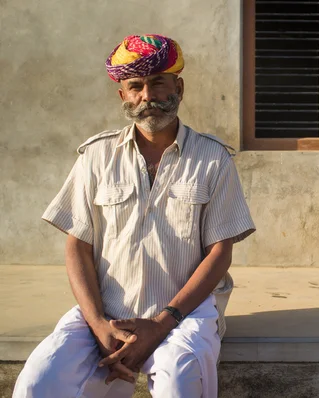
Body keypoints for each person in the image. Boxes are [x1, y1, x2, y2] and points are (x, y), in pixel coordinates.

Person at [13, 34, 255, 398]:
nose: (148, 96)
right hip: (107, 313)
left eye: (158, 83)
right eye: (136, 86)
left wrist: (161, 323)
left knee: (179, 383)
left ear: (179, 87)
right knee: (39, 381)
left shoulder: (212, 159)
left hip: (182, 316)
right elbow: (77, 245)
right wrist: (96, 324)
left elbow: (220, 252)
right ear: (123, 95)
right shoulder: (96, 156)